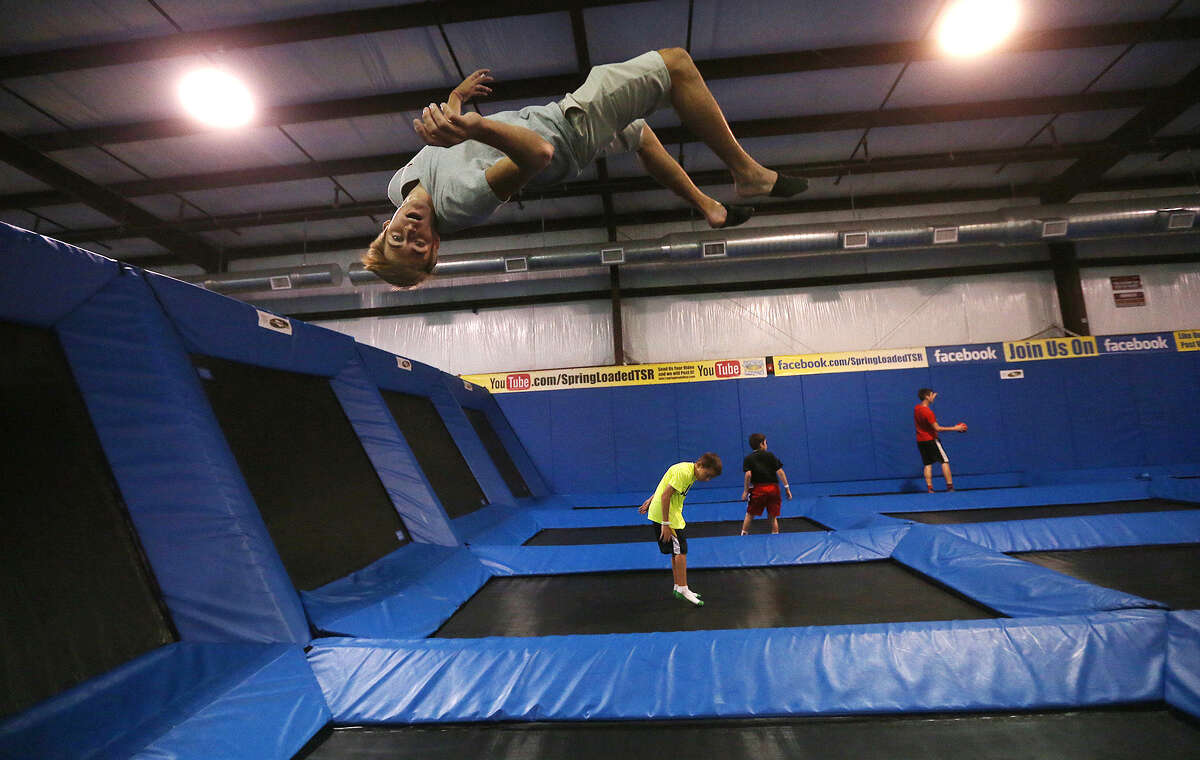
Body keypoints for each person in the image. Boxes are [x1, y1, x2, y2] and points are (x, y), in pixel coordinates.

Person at [364, 48, 809, 286]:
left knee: (642, 135)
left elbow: (447, 142)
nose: (412, 234)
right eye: (418, 248)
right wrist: (477, 127)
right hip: (568, 129)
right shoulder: (461, 204)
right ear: (436, 249)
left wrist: (457, 99)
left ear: (386, 226)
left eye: (397, 238)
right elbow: (538, 154)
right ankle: (747, 174)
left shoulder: (397, 185)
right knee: (676, 65)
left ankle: (708, 206)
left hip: (567, 131)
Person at [638, 452, 723, 606]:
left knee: (675, 550)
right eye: (708, 475)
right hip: (667, 514)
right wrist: (665, 523)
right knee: (681, 551)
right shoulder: (684, 473)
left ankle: (678, 586)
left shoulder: (689, 471)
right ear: (700, 465)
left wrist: (650, 500)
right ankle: (683, 588)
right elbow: (665, 496)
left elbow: (664, 484)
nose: (707, 479)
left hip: (669, 512)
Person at [914, 388, 967, 493]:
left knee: (927, 464)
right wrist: (955, 428)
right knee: (944, 461)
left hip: (920, 440)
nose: (934, 396)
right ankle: (950, 487)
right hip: (931, 440)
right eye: (932, 395)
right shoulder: (928, 412)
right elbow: (937, 428)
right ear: (927, 397)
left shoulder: (916, 408)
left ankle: (930, 489)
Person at [740, 433, 791, 534]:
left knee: (750, 514)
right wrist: (787, 488)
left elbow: (748, 475)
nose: (766, 445)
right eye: (766, 442)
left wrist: (746, 491)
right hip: (773, 488)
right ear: (762, 444)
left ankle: (743, 534)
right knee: (772, 516)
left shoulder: (748, 458)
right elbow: (780, 472)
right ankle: (775, 535)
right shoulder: (770, 455)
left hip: (758, 489)